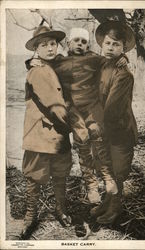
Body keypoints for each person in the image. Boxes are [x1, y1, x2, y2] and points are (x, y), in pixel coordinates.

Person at [27, 27, 130, 205]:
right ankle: (91, 184)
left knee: (98, 136)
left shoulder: (94, 59)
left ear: (88, 44)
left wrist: (123, 57)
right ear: (68, 43)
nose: (80, 44)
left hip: (92, 106)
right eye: (76, 41)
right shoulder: (59, 61)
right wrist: (30, 62)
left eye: (83, 42)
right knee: (82, 142)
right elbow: (43, 64)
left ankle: (107, 176)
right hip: (73, 109)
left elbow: (110, 61)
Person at [21, 26, 72, 239]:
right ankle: (30, 216)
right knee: (35, 176)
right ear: (36, 50)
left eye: (53, 44)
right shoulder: (39, 71)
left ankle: (61, 210)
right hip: (40, 133)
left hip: (58, 133)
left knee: (60, 174)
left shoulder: (57, 65)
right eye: (44, 45)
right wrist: (76, 128)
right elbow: (54, 105)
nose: (50, 48)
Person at [90, 20, 138, 225]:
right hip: (100, 127)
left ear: (123, 48)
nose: (110, 48)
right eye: (108, 43)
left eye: (116, 44)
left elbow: (112, 108)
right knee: (103, 165)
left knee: (117, 170)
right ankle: (108, 201)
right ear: (102, 43)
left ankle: (115, 207)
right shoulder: (98, 66)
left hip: (119, 129)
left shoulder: (124, 74)